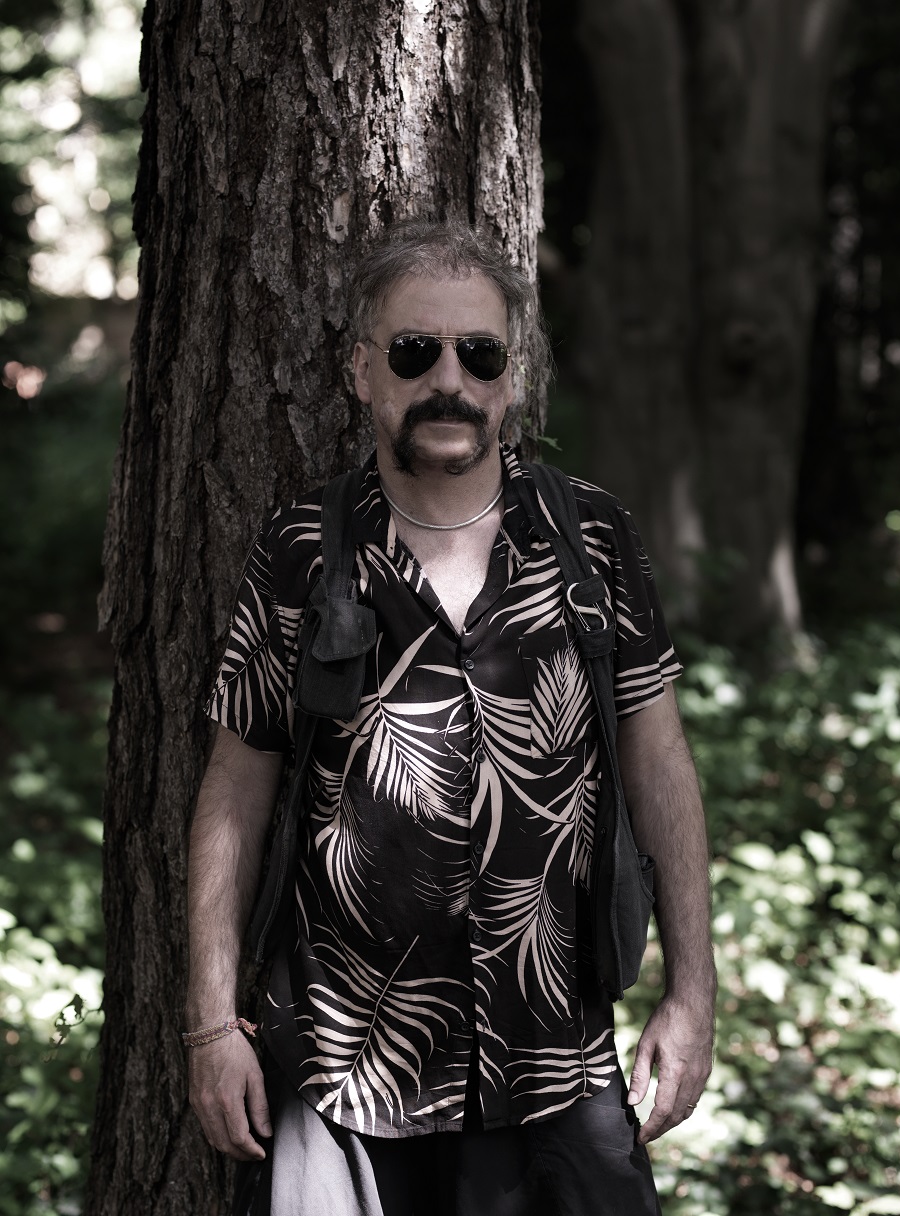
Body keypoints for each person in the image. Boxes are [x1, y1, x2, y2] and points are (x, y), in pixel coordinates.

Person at [185, 220, 716, 1215]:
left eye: (480, 353)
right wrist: (212, 1026)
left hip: (555, 1061)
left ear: (513, 377)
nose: (449, 381)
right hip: (343, 1071)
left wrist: (692, 997)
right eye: (414, 351)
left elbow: (660, 762)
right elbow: (234, 792)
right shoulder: (303, 549)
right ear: (361, 371)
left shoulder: (591, 538)